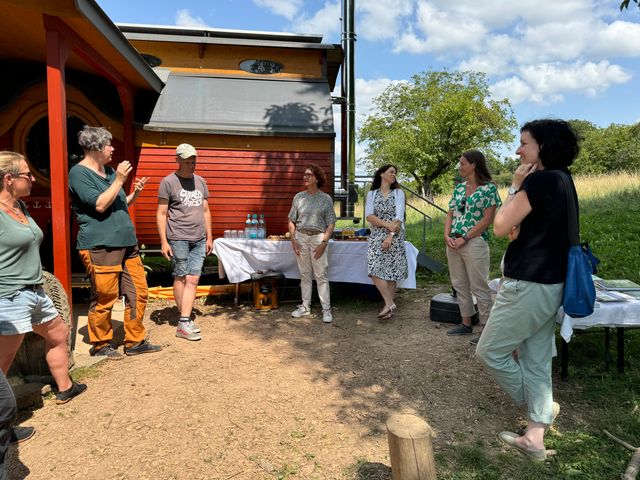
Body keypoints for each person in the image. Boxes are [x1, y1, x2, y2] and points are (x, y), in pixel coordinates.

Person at [475, 119, 579, 461]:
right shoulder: (564, 180)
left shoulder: (541, 179)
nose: (518, 150)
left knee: (490, 352)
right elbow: (524, 228)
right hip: (550, 284)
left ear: (543, 147)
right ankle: (534, 440)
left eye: (524, 143)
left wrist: (516, 185)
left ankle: (544, 408)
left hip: (529, 285)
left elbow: (502, 226)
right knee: (535, 361)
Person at [0, 151, 86, 409]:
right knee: (3, 363)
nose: (32, 179)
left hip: (35, 292)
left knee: (58, 334)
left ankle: (66, 388)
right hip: (10, 295)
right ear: (8, 179)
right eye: (26, 175)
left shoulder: (19, 206)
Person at [69, 126, 162, 359]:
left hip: (127, 245)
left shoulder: (109, 172)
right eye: (109, 144)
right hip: (101, 246)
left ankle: (135, 341)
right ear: (96, 148)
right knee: (105, 296)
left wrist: (135, 193)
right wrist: (120, 180)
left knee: (138, 293)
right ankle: (100, 344)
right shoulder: (79, 174)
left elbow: (117, 203)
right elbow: (100, 204)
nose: (112, 148)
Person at [157, 144, 212, 341]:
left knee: (194, 279)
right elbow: (162, 214)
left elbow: (205, 211)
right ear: (178, 160)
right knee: (181, 277)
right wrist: (164, 241)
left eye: (193, 161)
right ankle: (185, 320)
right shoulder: (169, 182)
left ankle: (184, 320)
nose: (191, 165)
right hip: (178, 237)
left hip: (199, 238)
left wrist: (209, 236)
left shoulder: (201, 181)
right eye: (188, 161)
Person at [444, 150, 501, 336]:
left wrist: (465, 238)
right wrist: (447, 235)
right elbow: (450, 214)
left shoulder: (489, 189)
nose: (459, 167)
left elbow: (487, 220)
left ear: (474, 165)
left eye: (462, 163)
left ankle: (486, 331)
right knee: (459, 284)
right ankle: (466, 323)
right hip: (453, 241)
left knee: (479, 286)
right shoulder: (459, 188)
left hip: (474, 242)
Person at [288, 164, 336, 323]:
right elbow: (291, 220)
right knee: (305, 274)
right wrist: (293, 239)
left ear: (317, 178)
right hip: (301, 237)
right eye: (304, 174)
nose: (305, 177)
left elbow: (331, 223)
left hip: (318, 238)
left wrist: (324, 242)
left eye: (308, 174)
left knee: (321, 275)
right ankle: (305, 307)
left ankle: (326, 310)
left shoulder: (326, 199)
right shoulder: (299, 197)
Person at [365, 164, 408, 320]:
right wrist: (386, 224)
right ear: (382, 174)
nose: (394, 175)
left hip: (394, 235)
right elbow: (369, 216)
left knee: (391, 271)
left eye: (395, 173)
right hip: (376, 234)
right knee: (373, 267)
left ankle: (387, 307)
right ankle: (390, 302)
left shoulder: (398, 193)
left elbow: (399, 217)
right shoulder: (372, 194)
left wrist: (390, 234)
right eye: (391, 172)